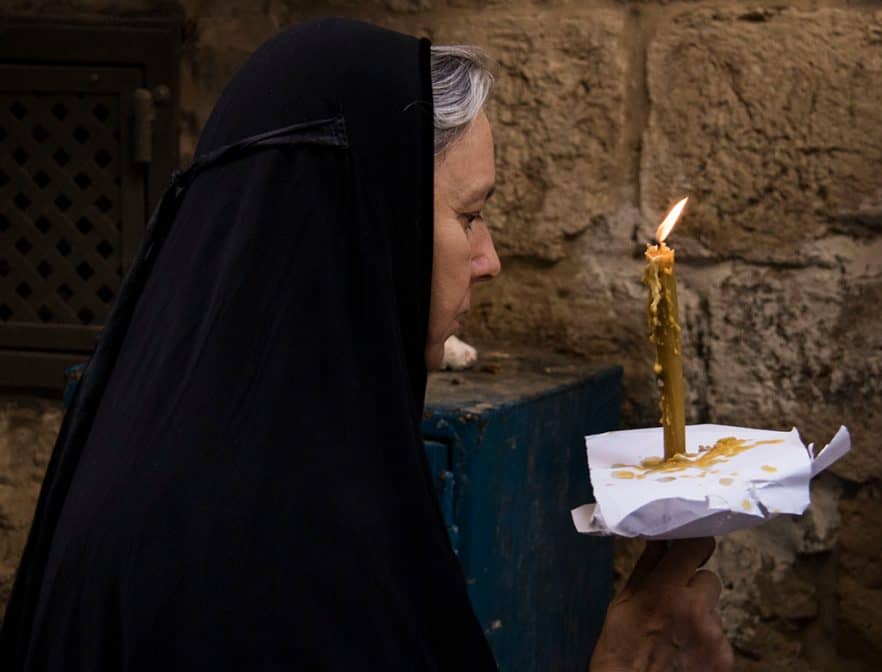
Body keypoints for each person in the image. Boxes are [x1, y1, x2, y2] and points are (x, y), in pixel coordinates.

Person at [0, 19, 732, 671]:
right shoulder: (273, 554)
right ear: (364, 227)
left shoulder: (215, 446)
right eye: (470, 215)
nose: (490, 258)